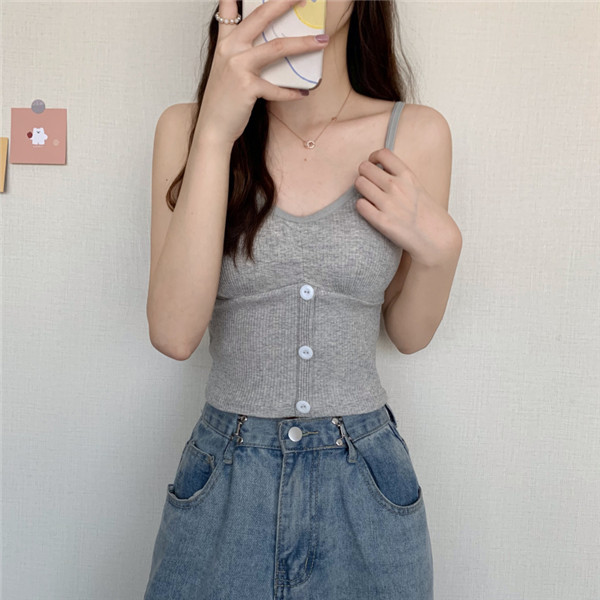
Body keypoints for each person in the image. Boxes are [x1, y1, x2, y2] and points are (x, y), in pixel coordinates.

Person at [144, 0, 462, 598]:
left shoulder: (417, 134)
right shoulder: (185, 129)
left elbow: (409, 333)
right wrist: (215, 132)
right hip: (226, 478)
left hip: (365, 484)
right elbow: (173, 333)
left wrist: (442, 251)